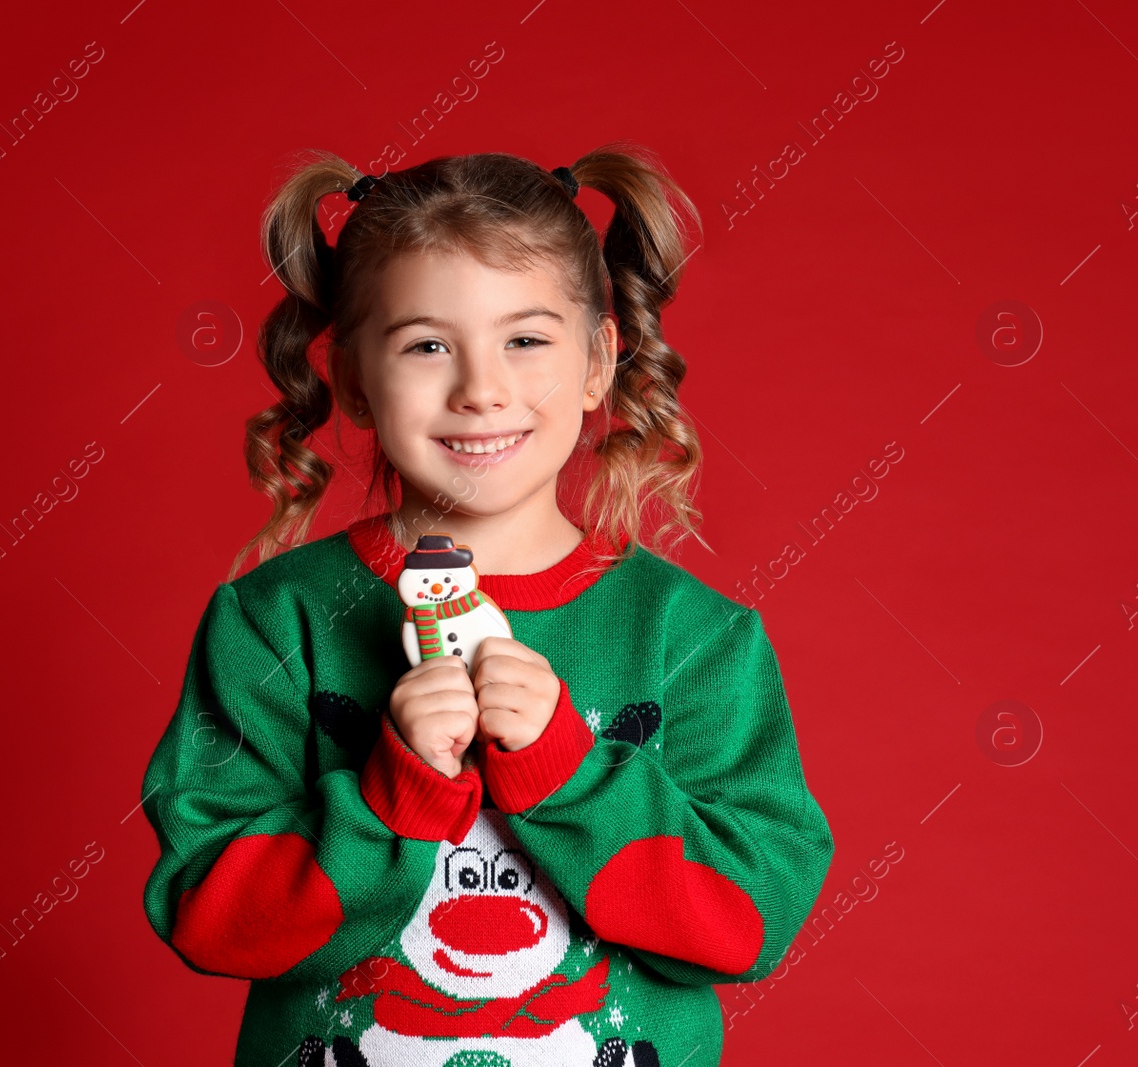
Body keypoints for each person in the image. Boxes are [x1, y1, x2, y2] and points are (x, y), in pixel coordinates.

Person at [140, 144, 834, 1067]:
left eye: (526, 340)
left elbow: (753, 917)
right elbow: (208, 913)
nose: (480, 389)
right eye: (427, 345)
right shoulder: (274, 622)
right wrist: (392, 795)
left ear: (598, 364)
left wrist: (569, 770)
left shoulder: (696, 639)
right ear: (351, 379)